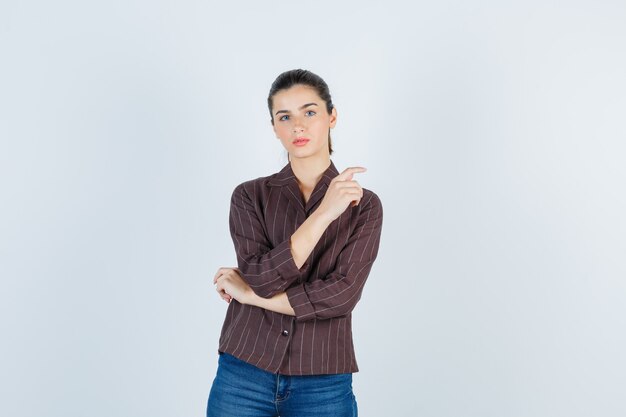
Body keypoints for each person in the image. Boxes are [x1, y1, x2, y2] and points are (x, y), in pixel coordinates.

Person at [207, 69, 383, 417]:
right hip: (244, 371)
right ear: (274, 127)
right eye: (284, 116)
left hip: (324, 380)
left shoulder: (365, 205)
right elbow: (261, 276)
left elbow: (341, 296)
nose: (297, 126)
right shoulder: (249, 196)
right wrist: (323, 215)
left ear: (332, 116)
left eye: (309, 111)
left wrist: (247, 295)